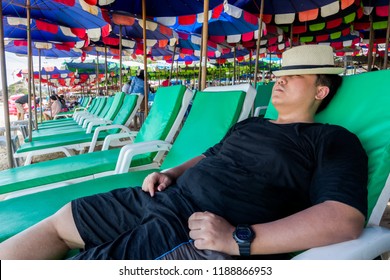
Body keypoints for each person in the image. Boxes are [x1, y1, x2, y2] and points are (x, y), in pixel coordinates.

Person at [0, 45, 368, 260]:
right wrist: (172, 173)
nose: (280, 80)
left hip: (199, 230)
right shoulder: (251, 125)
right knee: (62, 220)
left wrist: (240, 238)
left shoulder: (332, 139)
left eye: (296, 76)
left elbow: (343, 220)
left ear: (321, 91)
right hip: (163, 197)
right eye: (281, 73)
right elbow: (209, 156)